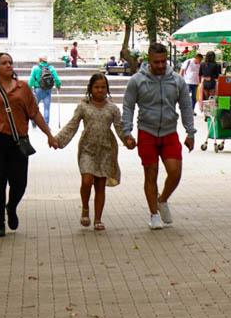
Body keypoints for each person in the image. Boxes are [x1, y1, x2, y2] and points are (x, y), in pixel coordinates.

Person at [0, 53, 59, 237]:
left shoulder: (23, 88)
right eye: (4, 63)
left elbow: (35, 113)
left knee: (19, 183)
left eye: (10, 63)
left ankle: (11, 206)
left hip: (18, 141)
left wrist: (49, 135)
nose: (9, 66)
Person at [120, 43, 195, 230]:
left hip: (169, 131)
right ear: (149, 60)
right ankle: (154, 214)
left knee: (175, 171)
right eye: (156, 62)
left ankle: (163, 200)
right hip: (147, 131)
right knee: (150, 173)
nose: (160, 66)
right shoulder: (137, 81)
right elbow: (128, 106)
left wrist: (190, 132)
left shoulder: (177, 81)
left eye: (163, 61)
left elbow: (186, 106)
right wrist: (126, 133)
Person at [54, 73, 124, 231]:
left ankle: (98, 219)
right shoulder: (83, 106)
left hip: (106, 150)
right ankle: (85, 207)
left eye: (103, 87)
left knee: (100, 185)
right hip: (87, 149)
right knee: (87, 181)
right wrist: (58, 139)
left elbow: (120, 128)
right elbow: (72, 125)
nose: (100, 90)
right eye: (97, 87)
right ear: (90, 89)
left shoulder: (112, 108)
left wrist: (129, 140)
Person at [28, 56, 61, 123]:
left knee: (35, 106)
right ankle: (46, 123)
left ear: (40, 59)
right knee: (46, 108)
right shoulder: (51, 68)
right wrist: (58, 85)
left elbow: (31, 79)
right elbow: (56, 79)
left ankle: (33, 121)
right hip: (48, 90)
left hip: (38, 89)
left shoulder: (35, 68)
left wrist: (28, 88)